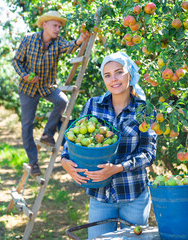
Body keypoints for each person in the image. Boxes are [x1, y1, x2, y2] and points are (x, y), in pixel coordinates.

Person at [61, 52, 157, 239]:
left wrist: (117, 168)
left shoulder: (144, 110)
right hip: (100, 195)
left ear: (130, 74)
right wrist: (65, 160)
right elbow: (74, 139)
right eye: (107, 75)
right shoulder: (93, 105)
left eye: (119, 72)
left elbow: (148, 153)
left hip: (134, 194)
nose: (114, 79)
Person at [12, 10, 90, 176]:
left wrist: (80, 40)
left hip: (47, 85)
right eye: (55, 25)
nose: (58, 29)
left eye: (60, 27)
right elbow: (17, 60)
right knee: (27, 125)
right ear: (45, 25)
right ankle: (33, 163)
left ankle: (48, 133)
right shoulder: (29, 39)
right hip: (28, 88)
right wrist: (25, 75)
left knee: (62, 101)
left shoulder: (58, 42)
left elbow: (69, 48)